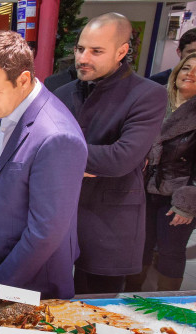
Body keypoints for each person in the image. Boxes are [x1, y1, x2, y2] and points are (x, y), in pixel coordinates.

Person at [54, 13, 166, 294]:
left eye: (96, 51)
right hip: (57, 216)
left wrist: (61, 157)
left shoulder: (147, 94)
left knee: (96, 310)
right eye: (80, 49)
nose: (83, 58)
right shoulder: (62, 90)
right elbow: (41, 145)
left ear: (122, 51)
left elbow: (121, 159)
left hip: (108, 221)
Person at [0, 32, 87, 299]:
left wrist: (2, 278)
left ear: (23, 80)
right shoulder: (10, 105)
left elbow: (46, 231)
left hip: (30, 279)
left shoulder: (57, 136)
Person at [126, 53, 196, 292]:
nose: (190, 74)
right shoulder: (155, 102)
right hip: (144, 189)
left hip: (178, 195)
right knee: (139, 246)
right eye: (186, 68)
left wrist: (188, 201)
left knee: (170, 251)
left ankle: (168, 303)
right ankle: (130, 298)